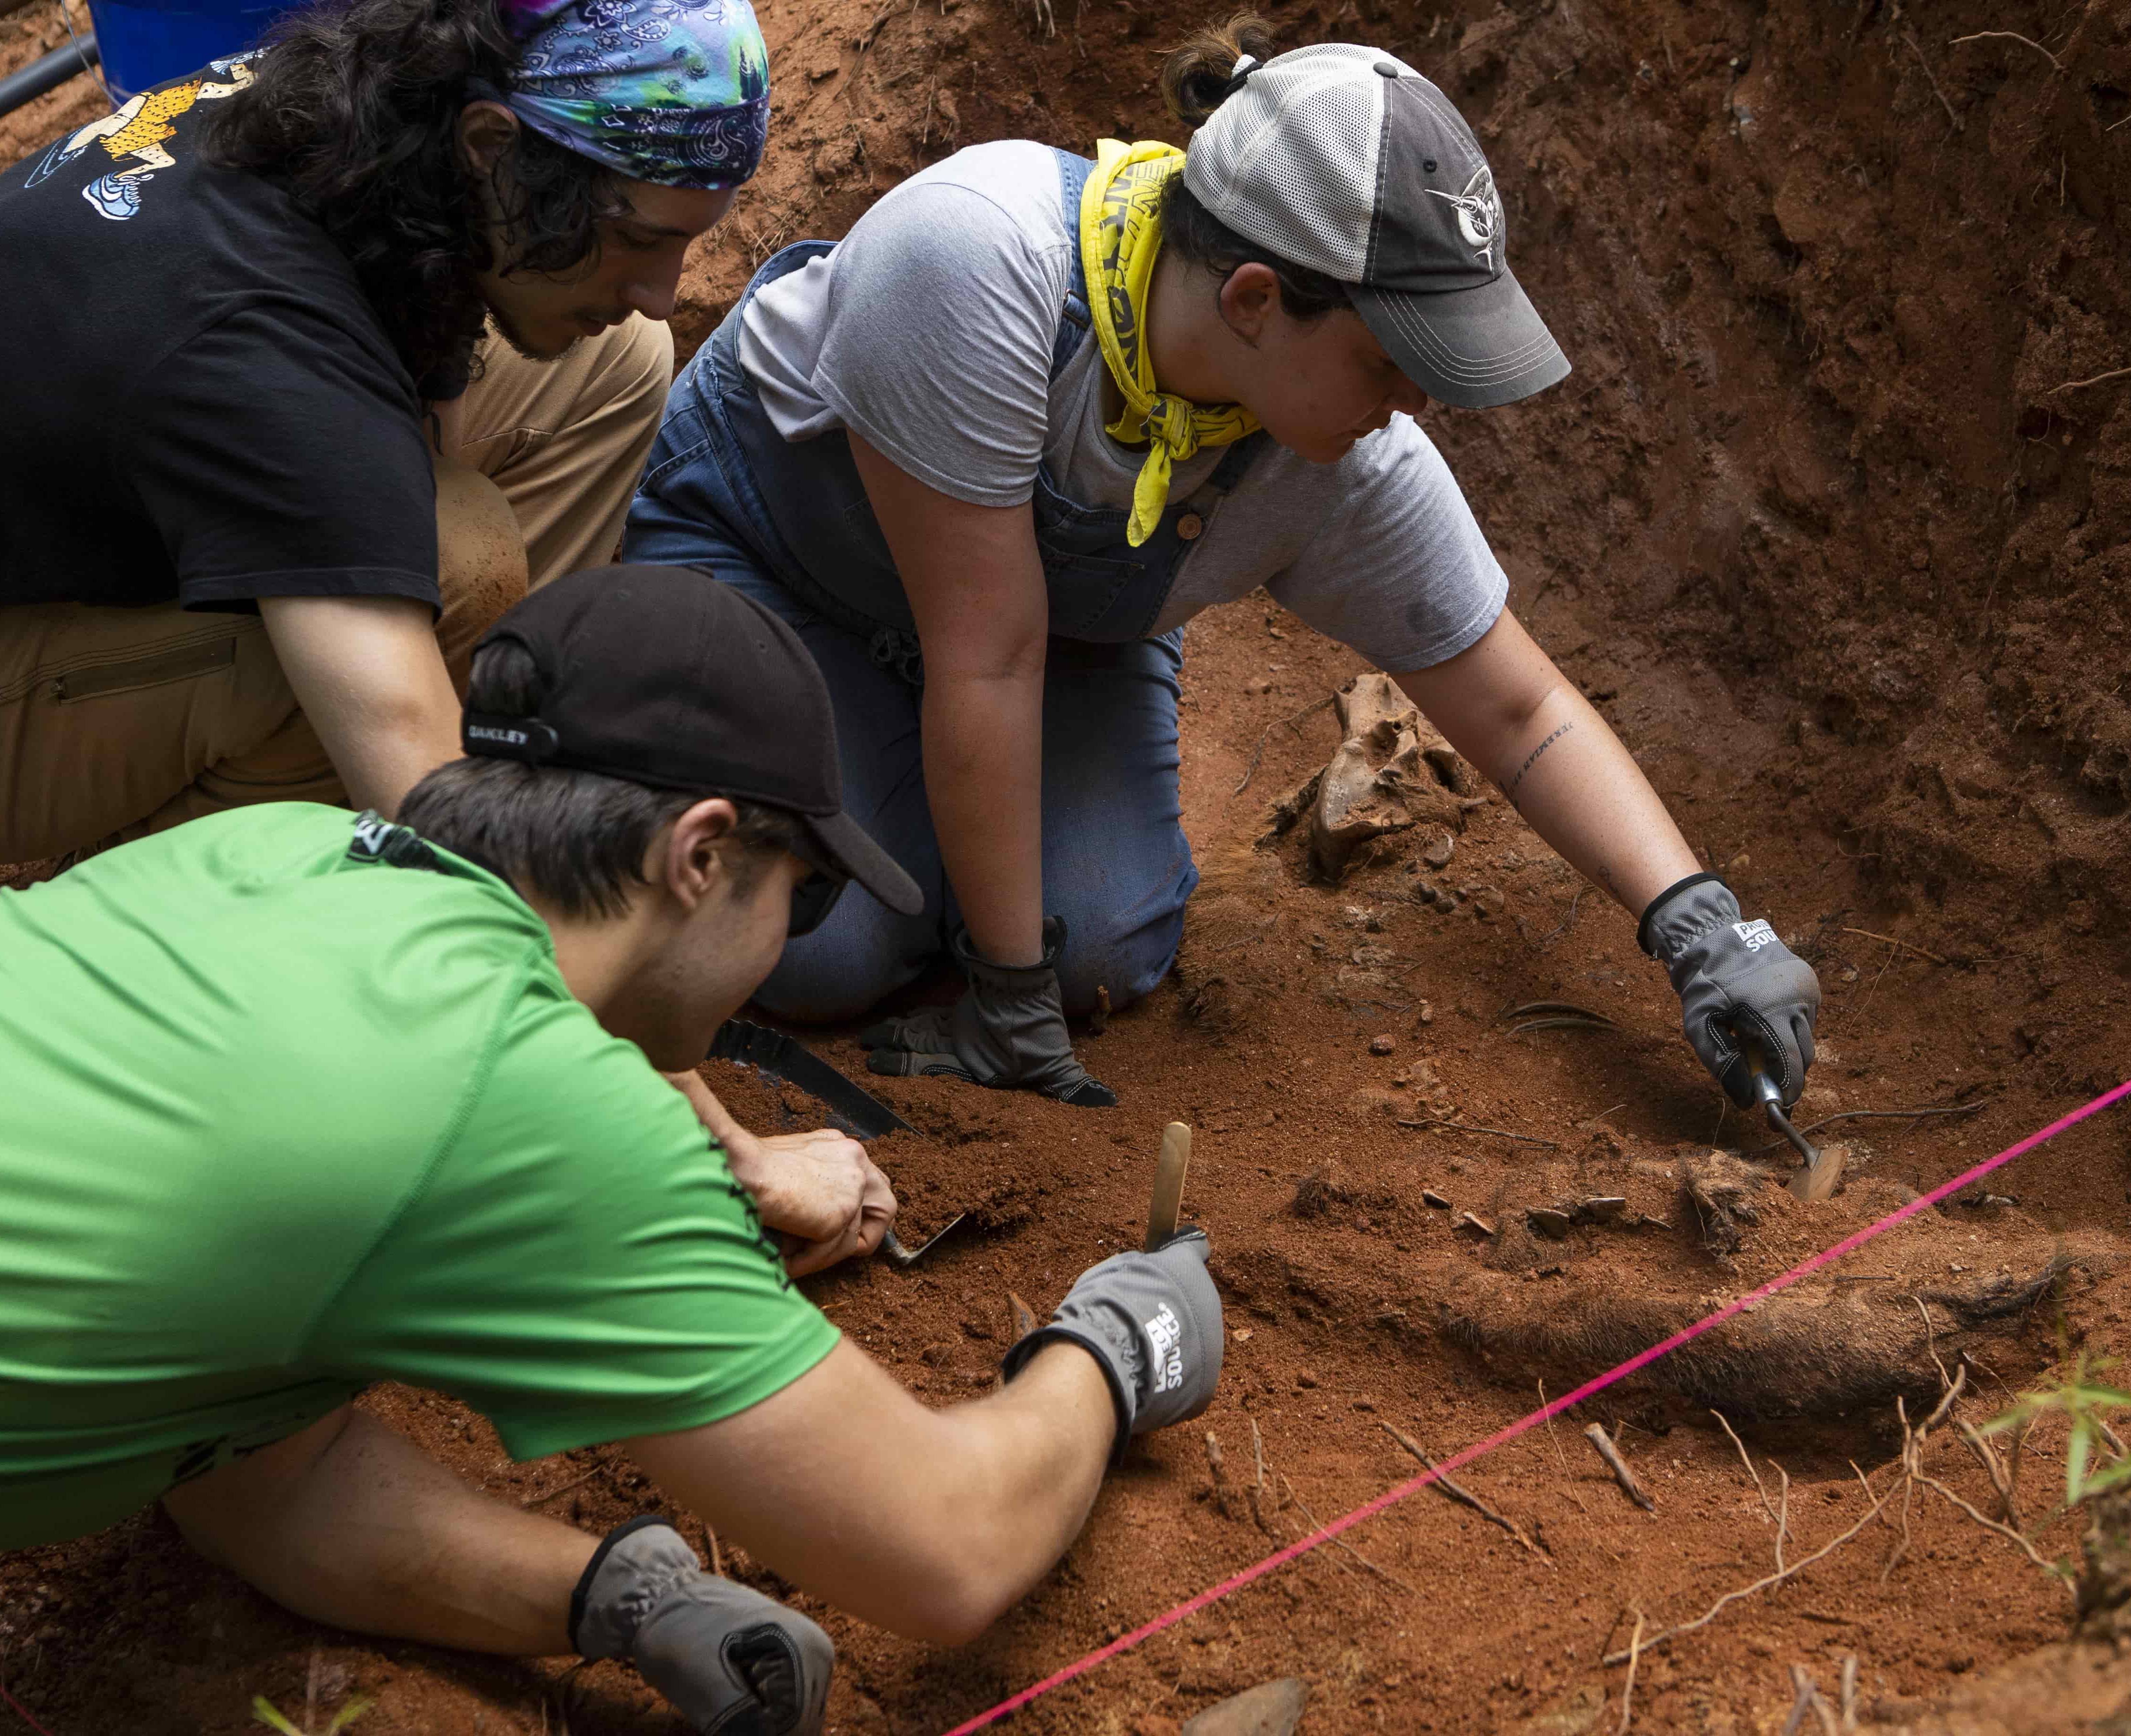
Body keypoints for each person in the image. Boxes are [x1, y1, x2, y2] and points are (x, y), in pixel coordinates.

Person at [0, 568, 1225, 1735]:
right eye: (797, 898)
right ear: (698, 856)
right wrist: (1122, 1345)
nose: (786, 942)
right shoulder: (520, 1098)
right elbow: (951, 1547)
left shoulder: (269, 853)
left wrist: (618, 1597)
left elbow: (257, 1470)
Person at [624, 16, 1822, 1116]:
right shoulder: (977, 261)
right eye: (1392, 358)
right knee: (826, 948)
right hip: (774, 554)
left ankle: (899, 809)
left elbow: (1519, 707)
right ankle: (867, 820)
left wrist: (1700, 925)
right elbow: (984, 663)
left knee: (1100, 947)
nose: (1415, 402)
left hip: (1023, 647)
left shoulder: (1340, 458)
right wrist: (1005, 997)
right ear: (1255, 297)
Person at [0, 0, 770, 864]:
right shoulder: (261, 341)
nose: (663, 288)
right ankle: (128, 918)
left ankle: (494, 748)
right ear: (491, 146)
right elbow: (418, 795)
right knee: (454, 558)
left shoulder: (378, 133)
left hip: (101, 517)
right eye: (633, 237)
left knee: (615, 356)